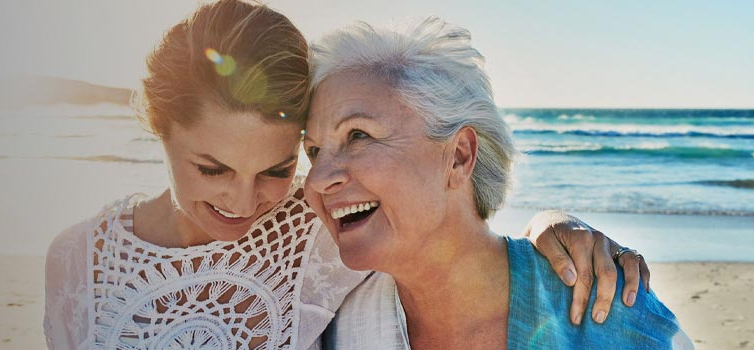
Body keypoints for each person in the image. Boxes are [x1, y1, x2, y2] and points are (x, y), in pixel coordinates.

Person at [43, 2, 652, 349]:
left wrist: (555, 225)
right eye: (211, 167)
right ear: (158, 130)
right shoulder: (79, 261)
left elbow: (447, 231)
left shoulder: (318, 236)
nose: (243, 200)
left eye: (280, 168)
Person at [302, 17, 690, 348]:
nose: (318, 179)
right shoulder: (326, 325)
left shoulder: (608, 309)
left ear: (459, 157)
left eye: (358, 135)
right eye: (314, 151)